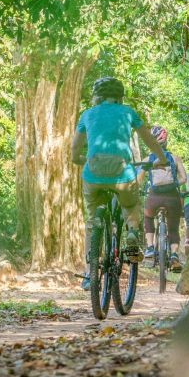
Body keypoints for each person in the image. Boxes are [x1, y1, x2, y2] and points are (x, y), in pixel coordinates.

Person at [71, 77, 168, 290]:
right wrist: (161, 159)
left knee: (91, 221)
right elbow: (149, 139)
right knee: (131, 207)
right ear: (120, 97)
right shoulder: (128, 112)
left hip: (93, 174)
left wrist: (78, 159)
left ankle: (89, 274)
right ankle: (132, 233)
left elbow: (75, 148)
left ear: (96, 96)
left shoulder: (87, 114)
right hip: (122, 173)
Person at [141, 126, 188, 272]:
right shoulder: (174, 158)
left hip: (154, 198)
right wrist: (174, 184)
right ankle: (174, 256)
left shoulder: (147, 159)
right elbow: (184, 179)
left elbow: (140, 179)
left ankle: (149, 248)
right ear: (165, 141)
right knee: (173, 227)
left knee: (148, 217)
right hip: (172, 197)